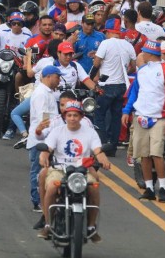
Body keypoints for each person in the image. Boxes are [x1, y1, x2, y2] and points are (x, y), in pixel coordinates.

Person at [38, 101, 111, 241]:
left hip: (82, 171)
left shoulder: (90, 132)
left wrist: (104, 159)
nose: (72, 118)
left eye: (75, 115)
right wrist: (44, 155)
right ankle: (47, 224)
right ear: (65, 116)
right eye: (69, 115)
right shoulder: (57, 131)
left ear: (81, 117)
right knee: (52, 187)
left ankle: (91, 226)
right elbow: (47, 148)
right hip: (60, 169)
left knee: (94, 187)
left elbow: (98, 150)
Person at [122, 40, 165, 202]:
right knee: (144, 155)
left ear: (150, 54)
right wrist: (127, 111)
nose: (141, 55)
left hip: (159, 118)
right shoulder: (142, 71)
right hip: (141, 117)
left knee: (156, 154)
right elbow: (134, 93)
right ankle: (149, 188)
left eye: (143, 52)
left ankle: (163, 187)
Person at [91, 17, 136, 155]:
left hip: (106, 86)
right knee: (116, 117)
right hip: (122, 86)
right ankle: (113, 147)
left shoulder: (105, 43)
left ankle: (103, 145)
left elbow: (97, 63)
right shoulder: (128, 45)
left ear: (108, 31)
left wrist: (91, 79)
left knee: (99, 115)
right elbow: (133, 67)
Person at [25, 66, 62, 212]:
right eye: (57, 77)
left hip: (47, 138)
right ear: (48, 77)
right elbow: (43, 118)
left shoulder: (48, 93)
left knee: (46, 171)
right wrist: (49, 134)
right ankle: (37, 201)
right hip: (41, 139)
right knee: (38, 171)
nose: (59, 80)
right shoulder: (42, 94)